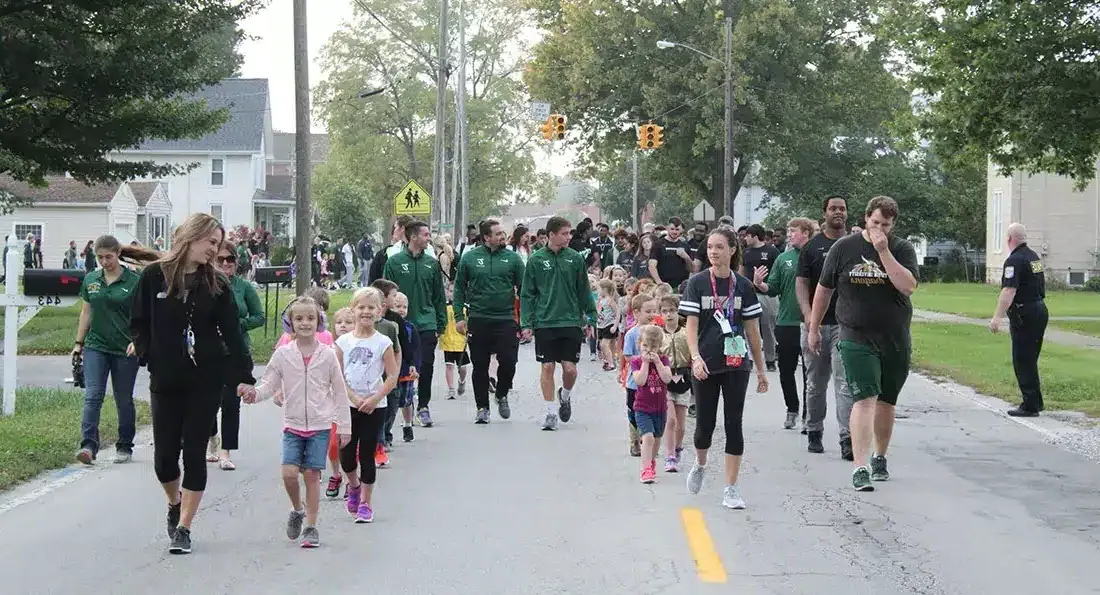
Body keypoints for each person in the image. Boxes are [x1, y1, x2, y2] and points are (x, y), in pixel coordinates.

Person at [128, 213, 255, 554]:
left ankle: (184, 526)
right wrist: (146, 352)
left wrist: (244, 376)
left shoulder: (217, 284)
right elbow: (138, 322)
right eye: (210, 242)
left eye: (218, 244)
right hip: (166, 377)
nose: (215, 250)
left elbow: (232, 333)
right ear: (191, 236)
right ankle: (174, 502)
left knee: (195, 453)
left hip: (206, 378)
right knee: (165, 459)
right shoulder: (155, 276)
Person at [807, 196, 918, 492]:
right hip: (855, 334)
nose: (880, 228)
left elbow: (907, 286)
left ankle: (879, 455)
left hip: (893, 335)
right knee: (864, 397)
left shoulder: (901, 249)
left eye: (886, 224)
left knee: (886, 400)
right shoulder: (844, 248)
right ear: (866, 218)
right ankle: (860, 466)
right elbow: (824, 289)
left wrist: (883, 251)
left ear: (893, 225)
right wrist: (814, 327)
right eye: (875, 222)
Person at [239, 296, 351, 549]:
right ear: (290, 323)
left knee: (312, 474)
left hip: (321, 425)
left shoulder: (328, 355)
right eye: (299, 318)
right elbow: (269, 383)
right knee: (289, 473)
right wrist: (254, 394)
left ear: (319, 321)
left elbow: (340, 392)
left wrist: (344, 426)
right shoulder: (283, 354)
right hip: (293, 424)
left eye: (310, 318)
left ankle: (311, 526)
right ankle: (297, 509)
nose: (305, 323)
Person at [679, 228, 768, 510]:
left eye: (719, 247)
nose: (713, 252)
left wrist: (761, 369)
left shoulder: (742, 286)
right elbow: (690, 326)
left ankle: (731, 488)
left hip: (736, 363)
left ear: (732, 250)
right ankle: (701, 463)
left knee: (733, 423)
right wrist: (695, 358)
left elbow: (753, 330)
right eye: (710, 247)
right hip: (705, 363)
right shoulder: (697, 283)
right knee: (705, 424)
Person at [520, 216, 597, 431]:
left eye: (570, 233)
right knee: (547, 366)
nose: (569, 237)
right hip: (544, 321)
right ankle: (550, 412)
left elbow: (584, 290)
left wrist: (591, 316)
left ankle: (565, 395)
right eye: (565, 233)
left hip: (571, 320)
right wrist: (526, 322)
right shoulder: (536, 260)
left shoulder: (574, 258)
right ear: (551, 235)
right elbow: (527, 294)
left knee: (570, 369)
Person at [73, 235, 141, 465]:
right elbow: (87, 312)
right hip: (96, 345)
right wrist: (78, 344)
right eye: (100, 257)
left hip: (125, 348)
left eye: (108, 257)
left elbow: (143, 314)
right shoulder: (91, 279)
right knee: (93, 396)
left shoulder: (133, 281)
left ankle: (124, 445)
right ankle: (88, 445)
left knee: (123, 399)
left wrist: (139, 339)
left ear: (118, 254)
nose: (104, 261)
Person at [796, 195, 854, 459]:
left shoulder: (855, 246)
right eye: (833, 208)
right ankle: (814, 430)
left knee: (845, 384)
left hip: (846, 325)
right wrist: (809, 318)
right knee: (815, 383)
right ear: (825, 213)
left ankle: (847, 438)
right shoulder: (812, 247)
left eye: (842, 208)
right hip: (817, 325)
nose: (838, 212)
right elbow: (802, 284)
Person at [336, 287, 399, 523]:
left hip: (375, 407)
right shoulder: (343, 342)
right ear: (353, 310)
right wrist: (352, 397)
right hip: (348, 406)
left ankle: (365, 503)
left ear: (379, 311)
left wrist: (374, 398)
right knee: (347, 456)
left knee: (366, 455)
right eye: (361, 307)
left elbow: (392, 375)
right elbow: (337, 375)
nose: (366, 311)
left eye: (371, 307)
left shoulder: (383, 342)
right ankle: (353, 485)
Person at [453, 219, 525, 422]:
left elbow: (525, 291)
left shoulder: (513, 259)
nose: (503, 236)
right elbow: (459, 289)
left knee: (509, 361)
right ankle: (482, 407)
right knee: (480, 365)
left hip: (506, 319)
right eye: (498, 233)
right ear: (486, 238)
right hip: (478, 319)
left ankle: (502, 393)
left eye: (503, 233)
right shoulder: (470, 258)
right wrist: (459, 317)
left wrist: (527, 320)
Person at [207, 239, 266, 471]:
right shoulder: (205, 285)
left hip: (236, 350)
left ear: (236, 261)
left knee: (231, 402)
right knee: (208, 400)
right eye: (219, 259)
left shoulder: (244, 287)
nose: (225, 263)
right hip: (208, 350)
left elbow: (259, 316)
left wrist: (237, 324)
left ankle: (225, 452)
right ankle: (212, 439)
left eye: (229, 259)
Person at [751, 218, 813, 439]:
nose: (789, 234)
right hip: (786, 322)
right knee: (786, 370)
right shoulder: (783, 258)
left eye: (793, 231)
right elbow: (773, 288)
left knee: (810, 372)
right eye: (788, 231)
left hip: (810, 323)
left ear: (806, 233)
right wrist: (760, 284)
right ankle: (792, 409)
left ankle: (809, 414)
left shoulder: (815, 255)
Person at [383, 220, 446, 427]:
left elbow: (439, 295)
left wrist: (441, 323)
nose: (429, 239)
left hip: (426, 323)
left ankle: (423, 407)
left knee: (426, 366)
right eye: (425, 235)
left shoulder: (432, 263)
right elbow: (386, 295)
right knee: (401, 368)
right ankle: (399, 405)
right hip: (401, 325)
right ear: (412, 237)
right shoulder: (394, 262)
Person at [989, 222, 1048, 417]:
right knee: (1031, 357)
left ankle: (1030, 405)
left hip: (1025, 313)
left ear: (1009, 239)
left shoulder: (1014, 261)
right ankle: (1035, 401)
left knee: (1023, 358)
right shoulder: (1034, 257)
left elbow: (1009, 290)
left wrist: (997, 317)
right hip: (1039, 309)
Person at [630, 324, 673, 483]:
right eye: (645, 345)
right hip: (642, 407)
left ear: (659, 347)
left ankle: (651, 460)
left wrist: (658, 363)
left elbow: (667, 378)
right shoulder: (636, 362)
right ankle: (646, 468)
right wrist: (646, 363)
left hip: (660, 408)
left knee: (656, 438)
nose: (649, 350)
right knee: (647, 437)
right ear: (639, 343)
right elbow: (640, 381)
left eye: (653, 347)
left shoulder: (663, 360)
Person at [622, 294, 659, 456]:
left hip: (653, 381)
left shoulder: (657, 333)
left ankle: (648, 440)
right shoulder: (631, 334)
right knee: (633, 411)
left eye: (654, 311)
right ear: (636, 313)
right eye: (648, 311)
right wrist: (643, 359)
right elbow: (628, 356)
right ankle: (635, 440)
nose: (652, 314)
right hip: (634, 382)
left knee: (652, 411)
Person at [325, 307, 356, 499]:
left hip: (352, 403)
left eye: (348, 322)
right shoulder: (328, 350)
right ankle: (335, 474)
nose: (343, 326)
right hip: (331, 406)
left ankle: (349, 478)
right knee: (333, 445)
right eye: (339, 322)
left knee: (350, 445)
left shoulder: (357, 347)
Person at [740, 225, 780, 370]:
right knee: (750, 328)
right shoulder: (745, 252)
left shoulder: (772, 251)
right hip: (750, 295)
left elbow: (777, 272)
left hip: (767, 294)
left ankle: (770, 359)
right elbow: (741, 271)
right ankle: (750, 358)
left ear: (755, 236)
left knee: (768, 328)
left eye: (747, 236)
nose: (745, 238)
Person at [659, 295, 692, 472]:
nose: (669, 314)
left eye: (672, 310)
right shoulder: (658, 334)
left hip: (684, 379)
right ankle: (669, 455)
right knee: (670, 420)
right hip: (665, 380)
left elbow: (693, 352)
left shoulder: (686, 332)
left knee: (681, 424)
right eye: (664, 311)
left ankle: (677, 447)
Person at [388, 291, 420, 441]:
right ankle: (387, 431)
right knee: (392, 403)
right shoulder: (387, 326)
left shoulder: (410, 328)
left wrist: (415, 366)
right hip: (391, 370)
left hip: (406, 369)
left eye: (404, 307)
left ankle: (408, 424)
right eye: (397, 306)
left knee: (407, 400)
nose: (401, 309)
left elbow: (414, 349)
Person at [648, 217, 695, 290]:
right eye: (672, 229)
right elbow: (652, 266)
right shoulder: (658, 244)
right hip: (663, 285)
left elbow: (692, 269)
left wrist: (686, 257)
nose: (674, 232)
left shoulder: (685, 245)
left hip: (680, 286)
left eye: (677, 229)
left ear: (681, 230)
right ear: (667, 228)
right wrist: (660, 283)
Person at [439, 303, 470, 402]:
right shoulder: (443, 308)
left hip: (460, 342)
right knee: (449, 366)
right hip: (448, 341)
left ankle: (462, 381)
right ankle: (451, 389)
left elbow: (468, 323)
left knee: (463, 368)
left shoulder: (464, 309)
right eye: (450, 290)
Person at [595, 279, 621, 371]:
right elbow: (598, 312)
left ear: (604, 289)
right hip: (601, 325)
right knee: (602, 344)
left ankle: (611, 363)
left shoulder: (610, 301)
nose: (598, 291)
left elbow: (618, 313)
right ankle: (608, 360)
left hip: (609, 325)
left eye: (599, 289)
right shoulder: (601, 300)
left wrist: (615, 325)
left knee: (604, 344)